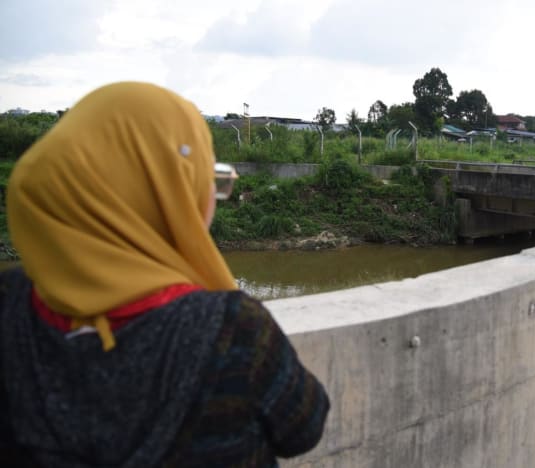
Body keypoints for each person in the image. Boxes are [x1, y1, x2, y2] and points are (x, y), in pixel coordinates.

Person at [0, 82, 329, 467]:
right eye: (204, 181)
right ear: (170, 196)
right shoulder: (235, 330)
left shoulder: (9, 302)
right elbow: (303, 428)